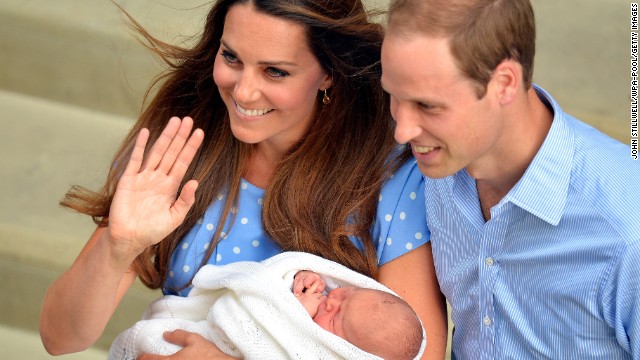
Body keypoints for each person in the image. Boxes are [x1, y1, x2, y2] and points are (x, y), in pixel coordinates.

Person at [39, 0, 448, 359]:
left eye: (275, 71)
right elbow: (61, 339)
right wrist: (117, 248)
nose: (244, 92)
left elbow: (414, 355)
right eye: (232, 58)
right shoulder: (181, 148)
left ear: (328, 74)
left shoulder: (392, 180)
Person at [381, 0, 640, 358]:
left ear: (504, 83)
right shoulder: (430, 168)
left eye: (428, 106)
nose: (402, 130)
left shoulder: (627, 231)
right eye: (394, 96)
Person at [109, 253, 424, 360]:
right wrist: (296, 280)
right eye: (345, 295)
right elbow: (264, 290)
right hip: (199, 331)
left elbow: (273, 334)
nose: (330, 300)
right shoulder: (319, 296)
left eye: (337, 316)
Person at [294, 270, 423, 360]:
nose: (330, 301)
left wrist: (298, 311)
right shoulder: (324, 293)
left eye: (333, 320)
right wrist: (305, 277)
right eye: (344, 295)